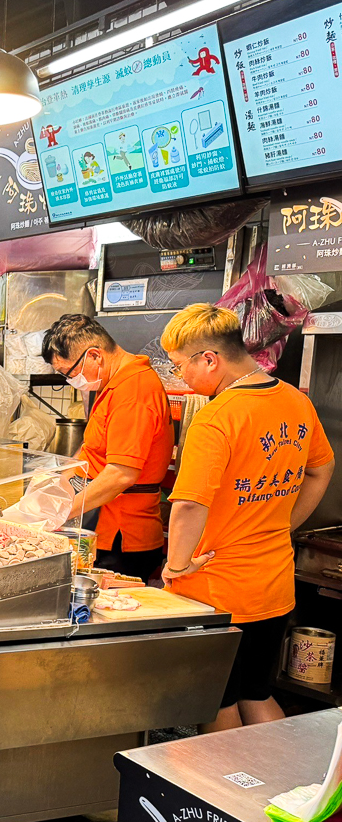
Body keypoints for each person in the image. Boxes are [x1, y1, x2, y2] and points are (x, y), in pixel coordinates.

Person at [160, 304, 334, 733]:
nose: (180, 376)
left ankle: (231, 795)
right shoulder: (296, 401)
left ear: (210, 359)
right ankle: (283, 793)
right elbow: (321, 468)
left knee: (217, 704)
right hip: (274, 583)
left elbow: (189, 504)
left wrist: (176, 566)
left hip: (217, 589)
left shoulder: (216, 418)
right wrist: (283, 524)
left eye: (180, 365)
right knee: (256, 693)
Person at [42, 314, 173, 580]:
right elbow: (92, 445)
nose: (73, 381)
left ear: (94, 356)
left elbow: (121, 474)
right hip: (99, 523)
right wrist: (56, 484)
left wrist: (63, 514)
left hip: (122, 537)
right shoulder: (115, 382)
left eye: (71, 373)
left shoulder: (133, 392)